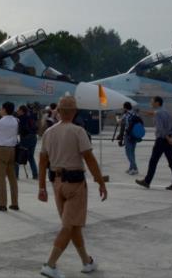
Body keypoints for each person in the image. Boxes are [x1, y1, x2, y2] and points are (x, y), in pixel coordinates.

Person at [38, 95, 107, 278]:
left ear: (58, 112)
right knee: (68, 226)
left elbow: (43, 160)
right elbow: (89, 159)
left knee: (73, 225)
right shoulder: (78, 131)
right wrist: (100, 182)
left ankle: (87, 261)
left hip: (56, 183)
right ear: (75, 112)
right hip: (75, 184)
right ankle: (50, 264)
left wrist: (41, 187)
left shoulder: (48, 132)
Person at [137, 96, 172, 190]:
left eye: (152, 101)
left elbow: (160, 128)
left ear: (157, 103)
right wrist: (171, 137)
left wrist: (168, 138)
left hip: (161, 140)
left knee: (153, 161)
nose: (150, 103)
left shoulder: (157, 113)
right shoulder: (168, 113)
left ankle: (147, 181)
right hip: (168, 140)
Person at [16, 105, 39, 179]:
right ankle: (35, 174)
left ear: (22, 111)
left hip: (25, 138)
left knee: (17, 156)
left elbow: (19, 130)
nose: (17, 111)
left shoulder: (20, 118)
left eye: (18, 110)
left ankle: (15, 175)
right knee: (30, 157)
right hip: (34, 137)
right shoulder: (30, 116)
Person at [116, 102, 139, 175]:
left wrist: (117, 117)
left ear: (125, 108)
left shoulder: (126, 115)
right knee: (132, 152)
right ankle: (131, 168)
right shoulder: (135, 114)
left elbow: (119, 122)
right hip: (135, 135)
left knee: (128, 152)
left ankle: (135, 168)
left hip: (128, 135)